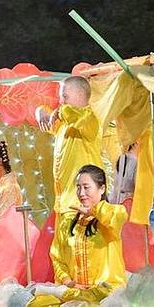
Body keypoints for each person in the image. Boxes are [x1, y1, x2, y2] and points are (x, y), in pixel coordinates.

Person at [27, 165, 128, 307]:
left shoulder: (110, 217)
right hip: (76, 290)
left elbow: (119, 216)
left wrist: (94, 210)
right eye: (78, 188)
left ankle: (73, 298)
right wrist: (69, 282)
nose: (81, 193)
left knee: (103, 294)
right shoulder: (67, 222)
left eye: (86, 187)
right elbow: (57, 258)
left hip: (105, 291)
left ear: (101, 189)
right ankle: (76, 298)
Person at [36, 76, 103, 214]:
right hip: (64, 204)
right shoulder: (64, 124)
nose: (61, 101)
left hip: (84, 205)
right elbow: (44, 115)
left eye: (65, 96)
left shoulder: (90, 119)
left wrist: (59, 112)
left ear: (80, 95)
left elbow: (73, 115)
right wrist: (40, 112)